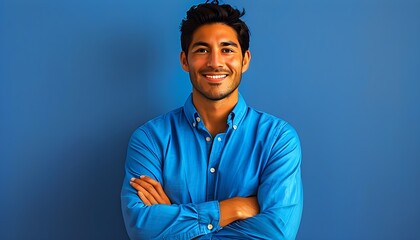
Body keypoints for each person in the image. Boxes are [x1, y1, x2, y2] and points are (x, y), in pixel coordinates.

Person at [120, 1, 303, 239]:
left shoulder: (278, 139)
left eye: (227, 49)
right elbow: (141, 229)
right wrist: (233, 208)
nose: (215, 62)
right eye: (202, 50)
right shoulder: (149, 139)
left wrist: (174, 219)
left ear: (245, 60)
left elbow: (276, 233)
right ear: (185, 61)